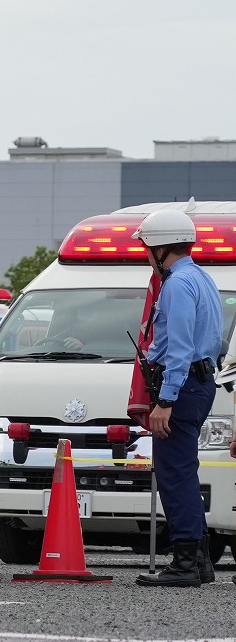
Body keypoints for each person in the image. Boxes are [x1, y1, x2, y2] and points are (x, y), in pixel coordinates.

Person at [131, 208, 222, 587]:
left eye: (146, 247)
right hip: (198, 384)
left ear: (159, 246)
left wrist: (165, 401)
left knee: (174, 473)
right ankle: (199, 562)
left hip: (181, 387)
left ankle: (185, 562)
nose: (146, 255)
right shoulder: (202, 278)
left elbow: (179, 347)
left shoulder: (177, 284)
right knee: (184, 469)